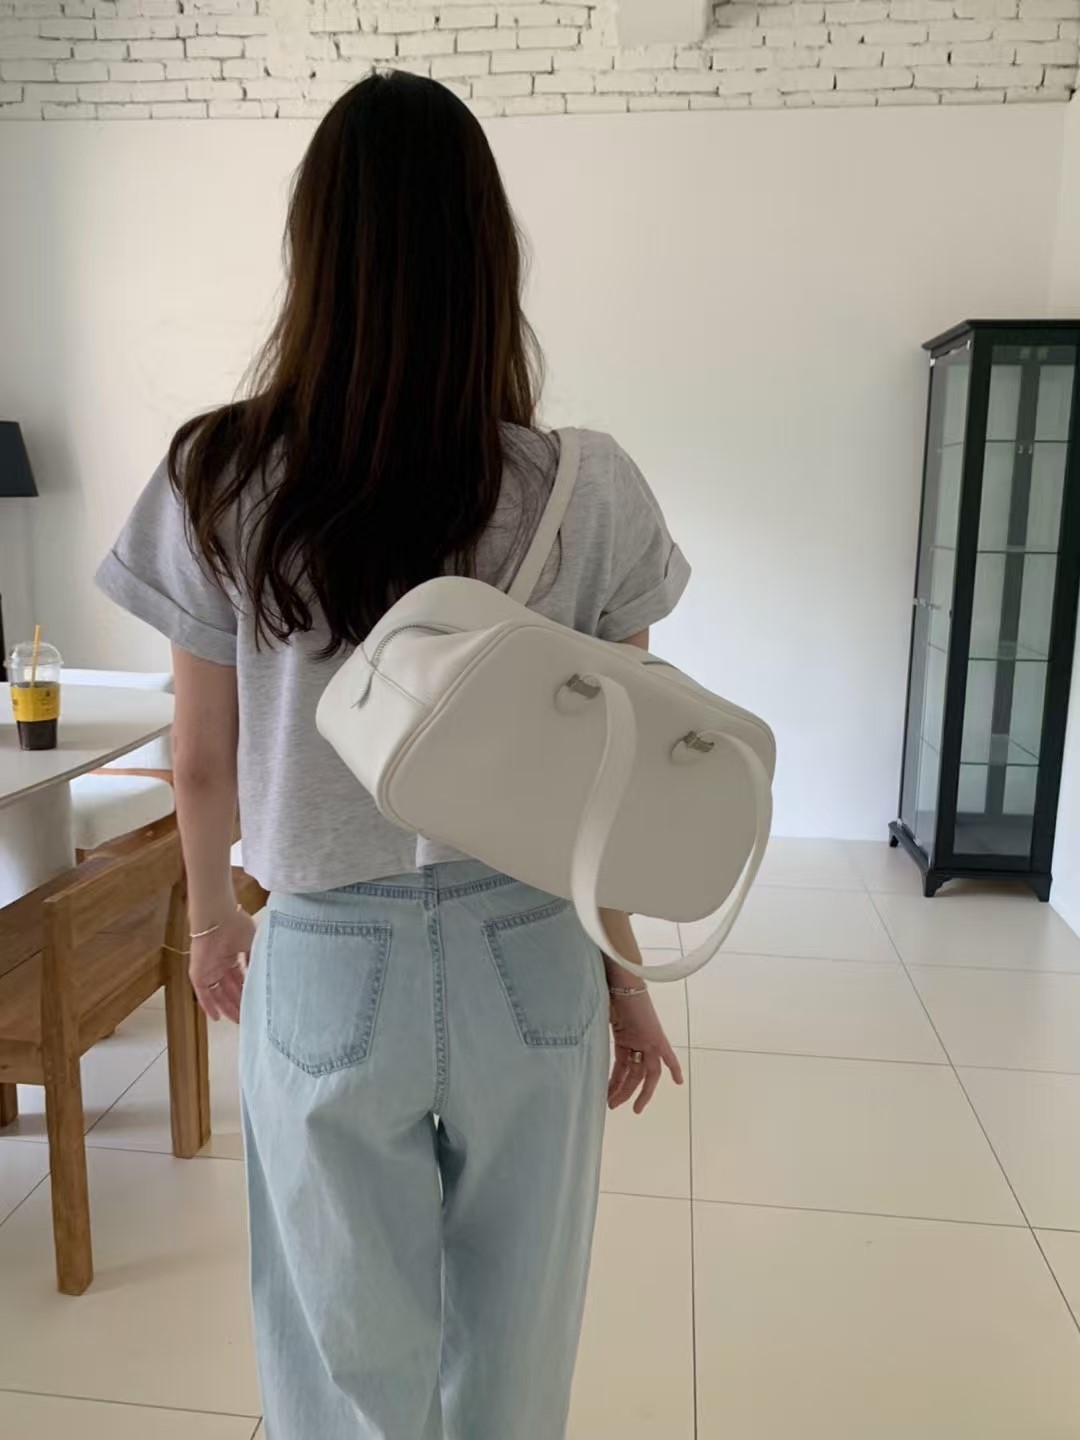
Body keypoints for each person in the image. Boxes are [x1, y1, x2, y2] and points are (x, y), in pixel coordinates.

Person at [98, 72, 689, 1440]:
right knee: (517, 1349)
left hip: (324, 953)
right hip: (530, 947)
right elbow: (616, 783)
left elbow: (200, 758)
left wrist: (211, 921)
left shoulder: (217, 479)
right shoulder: (588, 487)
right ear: (491, 258)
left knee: (336, 1362)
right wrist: (625, 977)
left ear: (314, 255)